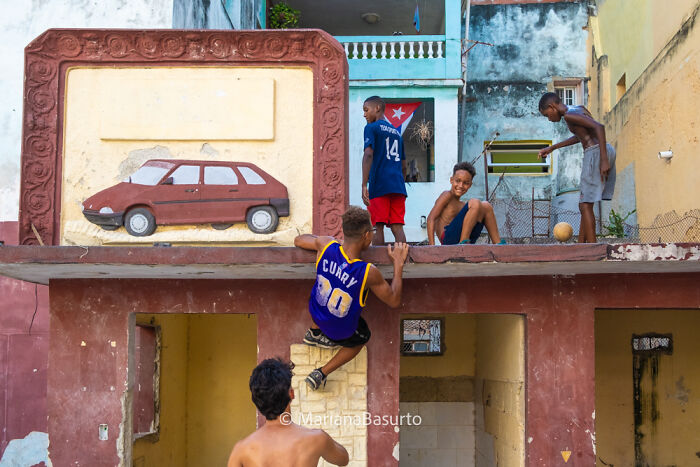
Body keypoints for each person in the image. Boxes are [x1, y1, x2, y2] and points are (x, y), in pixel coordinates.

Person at [294, 206, 409, 390]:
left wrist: (335, 241)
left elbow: (298, 240)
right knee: (362, 336)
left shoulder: (326, 245)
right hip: (338, 331)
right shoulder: (367, 272)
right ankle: (321, 373)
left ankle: (315, 332)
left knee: (322, 292)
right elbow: (394, 301)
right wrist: (398, 264)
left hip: (316, 312)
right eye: (372, 231)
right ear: (366, 235)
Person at [227, 358, 349, 467]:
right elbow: (343, 459)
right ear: (291, 393)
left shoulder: (242, 450)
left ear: (257, 400)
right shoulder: (316, 438)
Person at [537, 92, 616, 243]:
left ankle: (591, 248)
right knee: (586, 204)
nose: (549, 119)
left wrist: (604, 160)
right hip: (604, 149)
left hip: (595, 152)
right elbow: (581, 135)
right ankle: (581, 244)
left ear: (551, 107)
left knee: (584, 204)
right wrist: (552, 148)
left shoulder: (568, 116)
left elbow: (599, 127)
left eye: (547, 115)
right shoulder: (577, 109)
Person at [361, 95, 408, 245]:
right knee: (397, 226)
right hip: (398, 186)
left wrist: (364, 184)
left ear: (377, 108)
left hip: (379, 184)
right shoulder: (397, 133)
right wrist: (401, 182)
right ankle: (404, 261)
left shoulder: (371, 128)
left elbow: (368, 154)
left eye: (366, 110)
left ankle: (379, 264)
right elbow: (404, 165)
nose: (364, 114)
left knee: (377, 226)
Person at [426, 162, 505, 245]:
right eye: (458, 181)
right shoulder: (447, 195)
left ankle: (498, 244)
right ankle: (463, 243)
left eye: (465, 183)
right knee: (475, 202)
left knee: (486, 205)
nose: (461, 185)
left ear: (470, 185)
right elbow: (431, 219)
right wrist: (432, 246)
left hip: (463, 238)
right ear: (451, 180)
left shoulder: (464, 206)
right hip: (448, 239)